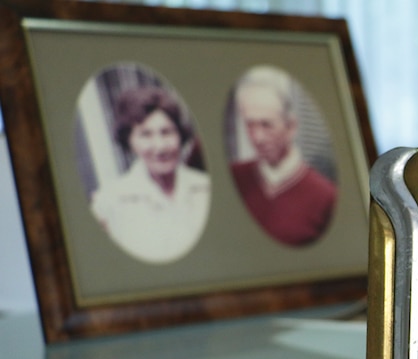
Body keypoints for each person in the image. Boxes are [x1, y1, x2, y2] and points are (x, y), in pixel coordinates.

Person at [90, 86, 211, 264]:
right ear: (129, 141)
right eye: (145, 135)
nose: (160, 147)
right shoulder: (109, 202)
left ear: (180, 134)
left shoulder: (206, 188)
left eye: (167, 132)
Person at [230, 66, 337, 247]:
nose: (258, 138)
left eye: (267, 125)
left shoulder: (325, 196)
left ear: (291, 127)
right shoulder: (234, 176)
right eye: (250, 125)